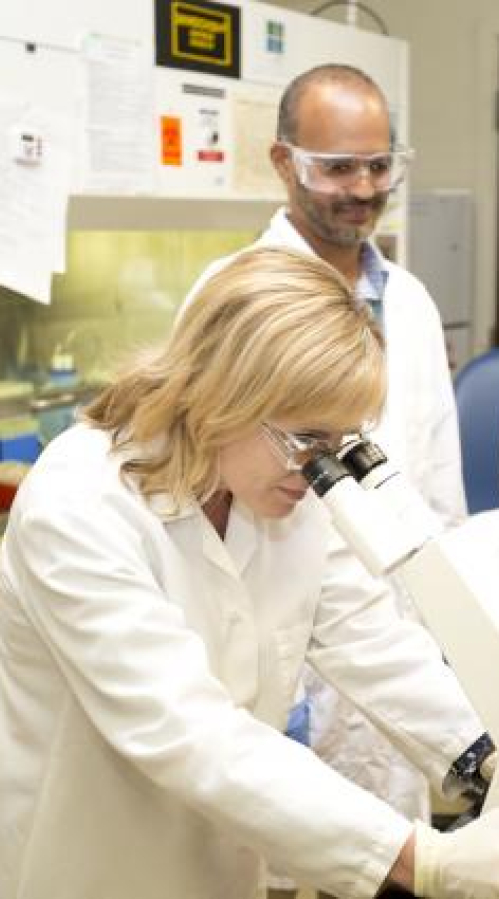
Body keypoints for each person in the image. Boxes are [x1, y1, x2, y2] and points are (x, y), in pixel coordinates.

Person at [0, 246, 499, 899]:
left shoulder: (274, 489)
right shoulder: (79, 505)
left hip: (220, 865)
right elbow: (190, 731)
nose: (318, 470)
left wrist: (484, 754)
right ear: (225, 394)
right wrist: (422, 859)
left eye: (336, 443)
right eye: (306, 440)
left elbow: (372, 638)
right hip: (94, 867)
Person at [187, 64, 466, 830]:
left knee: (391, 856)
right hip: (282, 654)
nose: (364, 186)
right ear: (284, 163)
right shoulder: (235, 293)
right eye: (337, 166)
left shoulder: (407, 301)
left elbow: (438, 491)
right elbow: (205, 500)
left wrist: (450, 635)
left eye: (380, 164)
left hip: (393, 647)